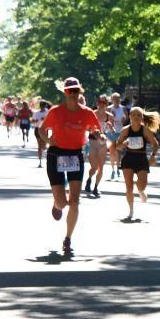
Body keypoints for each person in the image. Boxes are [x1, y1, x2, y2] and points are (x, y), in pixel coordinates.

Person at [38, 77, 100, 255]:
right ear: (65, 92)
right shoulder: (56, 111)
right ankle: (57, 204)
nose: (73, 94)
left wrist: (99, 135)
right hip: (56, 154)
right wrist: (48, 140)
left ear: (80, 92)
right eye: (69, 91)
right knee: (62, 202)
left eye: (76, 90)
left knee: (74, 201)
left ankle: (68, 239)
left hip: (75, 155)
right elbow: (41, 130)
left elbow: (96, 130)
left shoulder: (87, 112)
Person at [115, 106, 160, 221]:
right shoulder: (125, 130)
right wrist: (124, 144)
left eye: (138, 115)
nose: (136, 117)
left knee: (142, 185)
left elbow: (155, 144)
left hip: (141, 159)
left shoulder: (145, 130)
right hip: (129, 158)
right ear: (129, 116)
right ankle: (131, 210)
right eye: (134, 115)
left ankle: (141, 191)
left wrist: (153, 156)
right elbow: (118, 147)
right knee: (129, 186)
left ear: (142, 117)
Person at [88, 95, 115, 197]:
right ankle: (89, 179)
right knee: (94, 167)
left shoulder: (110, 116)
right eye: (100, 102)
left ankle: (95, 187)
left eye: (104, 103)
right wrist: (94, 130)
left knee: (101, 167)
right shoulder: (92, 114)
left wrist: (111, 127)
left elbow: (112, 132)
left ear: (107, 104)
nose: (102, 104)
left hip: (102, 143)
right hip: (92, 141)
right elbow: (87, 128)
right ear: (97, 103)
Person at [32, 100, 49, 168]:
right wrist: (35, 120)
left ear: (45, 106)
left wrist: (45, 119)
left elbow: (51, 120)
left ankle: (43, 155)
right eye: (41, 105)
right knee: (39, 145)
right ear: (40, 106)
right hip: (38, 129)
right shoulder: (36, 113)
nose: (42, 107)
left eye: (43, 105)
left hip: (45, 129)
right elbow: (32, 121)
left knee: (44, 146)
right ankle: (40, 161)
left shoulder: (48, 112)